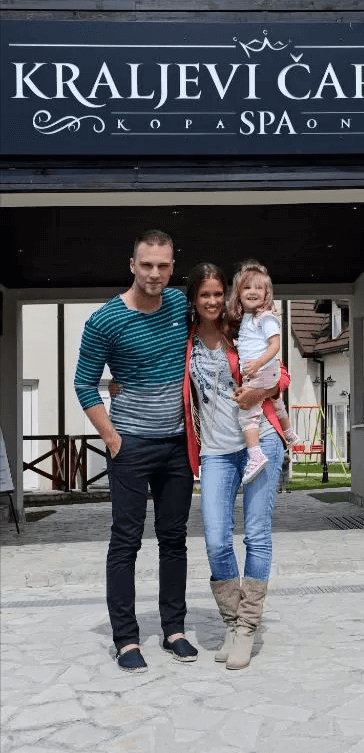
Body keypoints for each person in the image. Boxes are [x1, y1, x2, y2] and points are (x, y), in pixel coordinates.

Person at [74, 229, 198, 674]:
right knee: (125, 541)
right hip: (130, 445)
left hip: (176, 445)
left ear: (172, 266)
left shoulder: (181, 305)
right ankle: (126, 639)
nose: (154, 273)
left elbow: (221, 320)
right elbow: (84, 384)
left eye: (163, 265)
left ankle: (174, 630)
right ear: (132, 265)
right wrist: (113, 440)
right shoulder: (105, 321)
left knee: (174, 540)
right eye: (147, 264)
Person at [183, 262, 290, 670]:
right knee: (215, 539)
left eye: (217, 293)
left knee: (257, 535)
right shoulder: (186, 339)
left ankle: (246, 627)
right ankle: (230, 620)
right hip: (215, 450)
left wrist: (259, 392)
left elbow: (281, 374)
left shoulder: (241, 327)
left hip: (260, 438)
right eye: (204, 294)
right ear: (194, 299)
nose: (212, 301)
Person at [226, 261, 299, 485]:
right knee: (278, 403)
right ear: (238, 294)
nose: (253, 292)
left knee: (247, 414)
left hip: (263, 370)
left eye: (259, 288)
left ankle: (255, 454)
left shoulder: (265, 318)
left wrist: (257, 364)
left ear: (267, 293)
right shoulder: (248, 319)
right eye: (247, 287)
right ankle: (290, 433)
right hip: (266, 371)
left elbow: (275, 346)